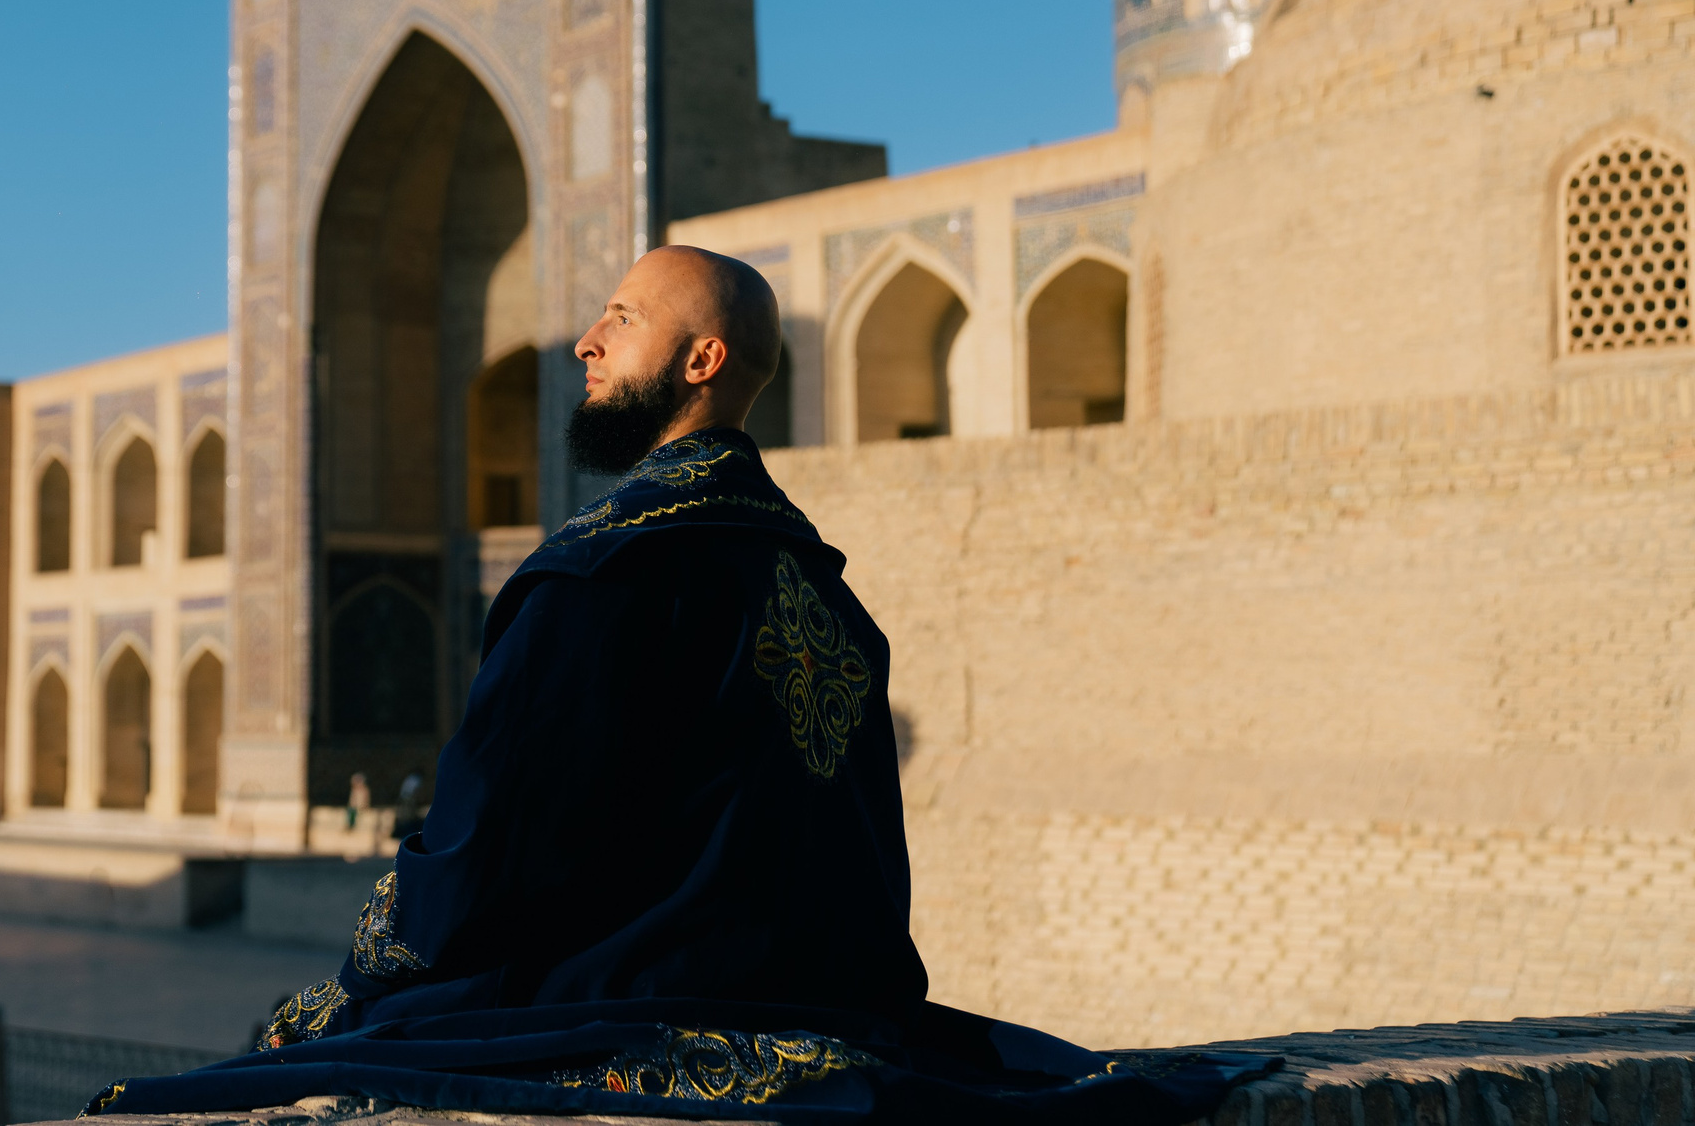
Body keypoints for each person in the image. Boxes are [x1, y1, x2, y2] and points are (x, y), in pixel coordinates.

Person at [89, 248, 1270, 1124]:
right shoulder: (825, 594)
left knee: (233, 1070)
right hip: (828, 1010)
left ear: (702, 361)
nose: (584, 344)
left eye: (619, 319)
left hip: (638, 1001)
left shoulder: (602, 576)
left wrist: (366, 973)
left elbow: (477, 850)